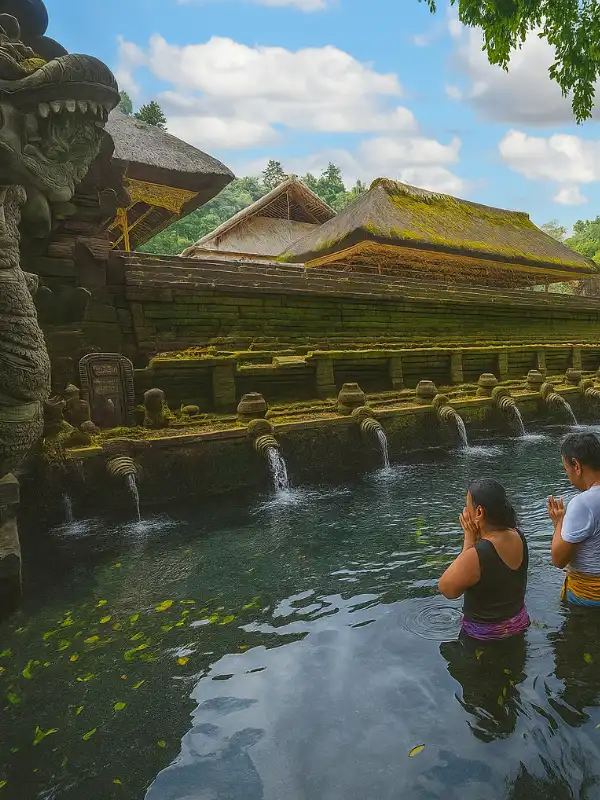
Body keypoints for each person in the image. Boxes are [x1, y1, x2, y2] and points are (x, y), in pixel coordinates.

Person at [439, 478, 529, 640]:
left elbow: (447, 590)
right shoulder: (518, 536)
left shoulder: (478, 554)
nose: (465, 511)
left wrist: (468, 541)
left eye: (467, 505)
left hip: (485, 638)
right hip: (519, 625)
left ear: (479, 512)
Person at [548, 432, 600, 606]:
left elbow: (558, 560)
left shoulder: (583, 503)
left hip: (589, 599)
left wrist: (559, 523)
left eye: (566, 469)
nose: (568, 476)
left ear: (576, 466)